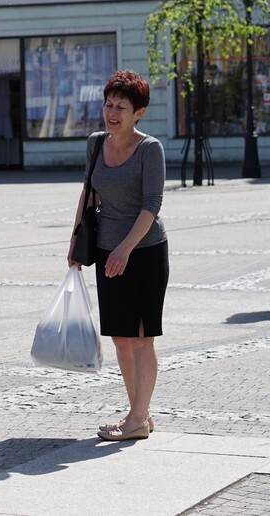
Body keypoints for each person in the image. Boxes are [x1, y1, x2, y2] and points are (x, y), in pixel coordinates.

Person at [68, 69, 168, 442]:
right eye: (108, 104)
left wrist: (125, 249)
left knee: (141, 337)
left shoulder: (149, 149)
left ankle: (137, 418)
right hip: (107, 250)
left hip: (143, 251)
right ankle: (137, 413)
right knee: (120, 338)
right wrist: (76, 241)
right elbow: (88, 194)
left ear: (138, 112)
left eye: (120, 107)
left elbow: (151, 205)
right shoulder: (96, 143)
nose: (112, 113)